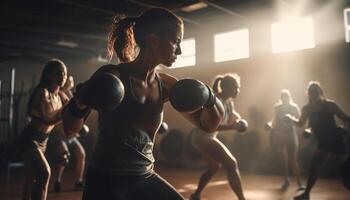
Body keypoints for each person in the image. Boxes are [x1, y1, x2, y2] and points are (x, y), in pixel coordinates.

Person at [62, 7, 224, 200]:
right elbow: (70, 129)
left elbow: (208, 124)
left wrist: (209, 96)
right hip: (106, 179)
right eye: (176, 42)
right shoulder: (113, 76)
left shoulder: (166, 85)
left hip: (144, 177)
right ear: (152, 40)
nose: (179, 50)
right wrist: (80, 100)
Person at [284, 81, 350, 200]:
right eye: (311, 92)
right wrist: (290, 118)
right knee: (316, 168)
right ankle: (306, 194)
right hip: (324, 142)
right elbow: (300, 123)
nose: (313, 94)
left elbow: (346, 118)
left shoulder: (329, 105)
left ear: (320, 92)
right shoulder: (307, 109)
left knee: (342, 173)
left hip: (335, 140)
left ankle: (306, 194)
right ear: (308, 94)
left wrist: (346, 134)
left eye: (315, 92)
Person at [17, 59, 68, 200]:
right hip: (30, 138)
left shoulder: (59, 96)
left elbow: (67, 116)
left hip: (43, 140)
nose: (63, 76)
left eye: (64, 73)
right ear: (49, 75)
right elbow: (49, 118)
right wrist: (67, 110)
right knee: (44, 173)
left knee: (31, 179)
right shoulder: (42, 93)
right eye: (59, 73)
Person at [190, 74, 246, 200]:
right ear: (226, 87)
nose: (238, 90)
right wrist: (233, 127)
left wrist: (239, 120)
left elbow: (232, 115)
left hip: (207, 137)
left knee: (214, 167)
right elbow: (212, 127)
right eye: (235, 88)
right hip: (202, 137)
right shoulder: (215, 101)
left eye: (238, 88)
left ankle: (196, 195)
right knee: (232, 164)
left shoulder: (229, 103)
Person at [50, 75, 86, 192]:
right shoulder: (57, 96)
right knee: (64, 156)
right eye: (68, 82)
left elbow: (76, 114)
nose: (71, 83)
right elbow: (57, 116)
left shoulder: (69, 96)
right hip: (60, 134)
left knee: (81, 154)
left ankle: (78, 181)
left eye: (71, 81)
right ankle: (57, 181)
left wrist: (81, 125)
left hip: (71, 135)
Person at [266, 90, 304, 190]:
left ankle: (299, 182)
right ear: (281, 98)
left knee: (293, 160)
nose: (284, 99)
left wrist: (290, 118)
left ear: (289, 97)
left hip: (291, 134)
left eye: (286, 97)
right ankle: (286, 180)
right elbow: (273, 120)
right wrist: (269, 125)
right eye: (282, 97)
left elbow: (300, 121)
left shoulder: (293, 107)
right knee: (283, 160)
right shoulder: (277, 107)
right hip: (279, 134)